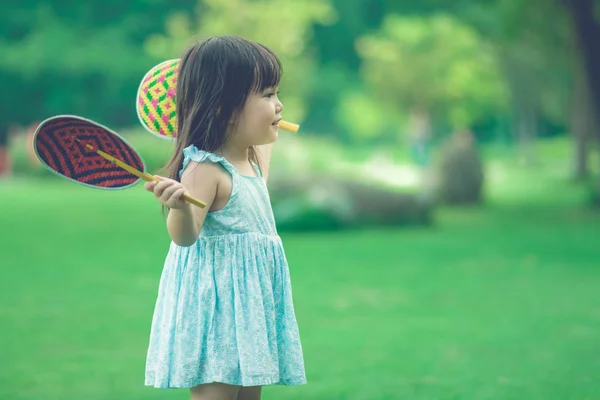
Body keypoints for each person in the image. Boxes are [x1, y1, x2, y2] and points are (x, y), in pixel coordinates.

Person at [143, 36, 306, 400]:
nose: (279, 105)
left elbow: (259, 133)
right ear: (223, 107)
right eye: (267, 94)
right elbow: (184, 238)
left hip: (251, 306)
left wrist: (263, 115)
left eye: (276, 93)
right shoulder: (205, 169)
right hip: (214, 311)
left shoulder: (253, 157)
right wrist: (180, 207)